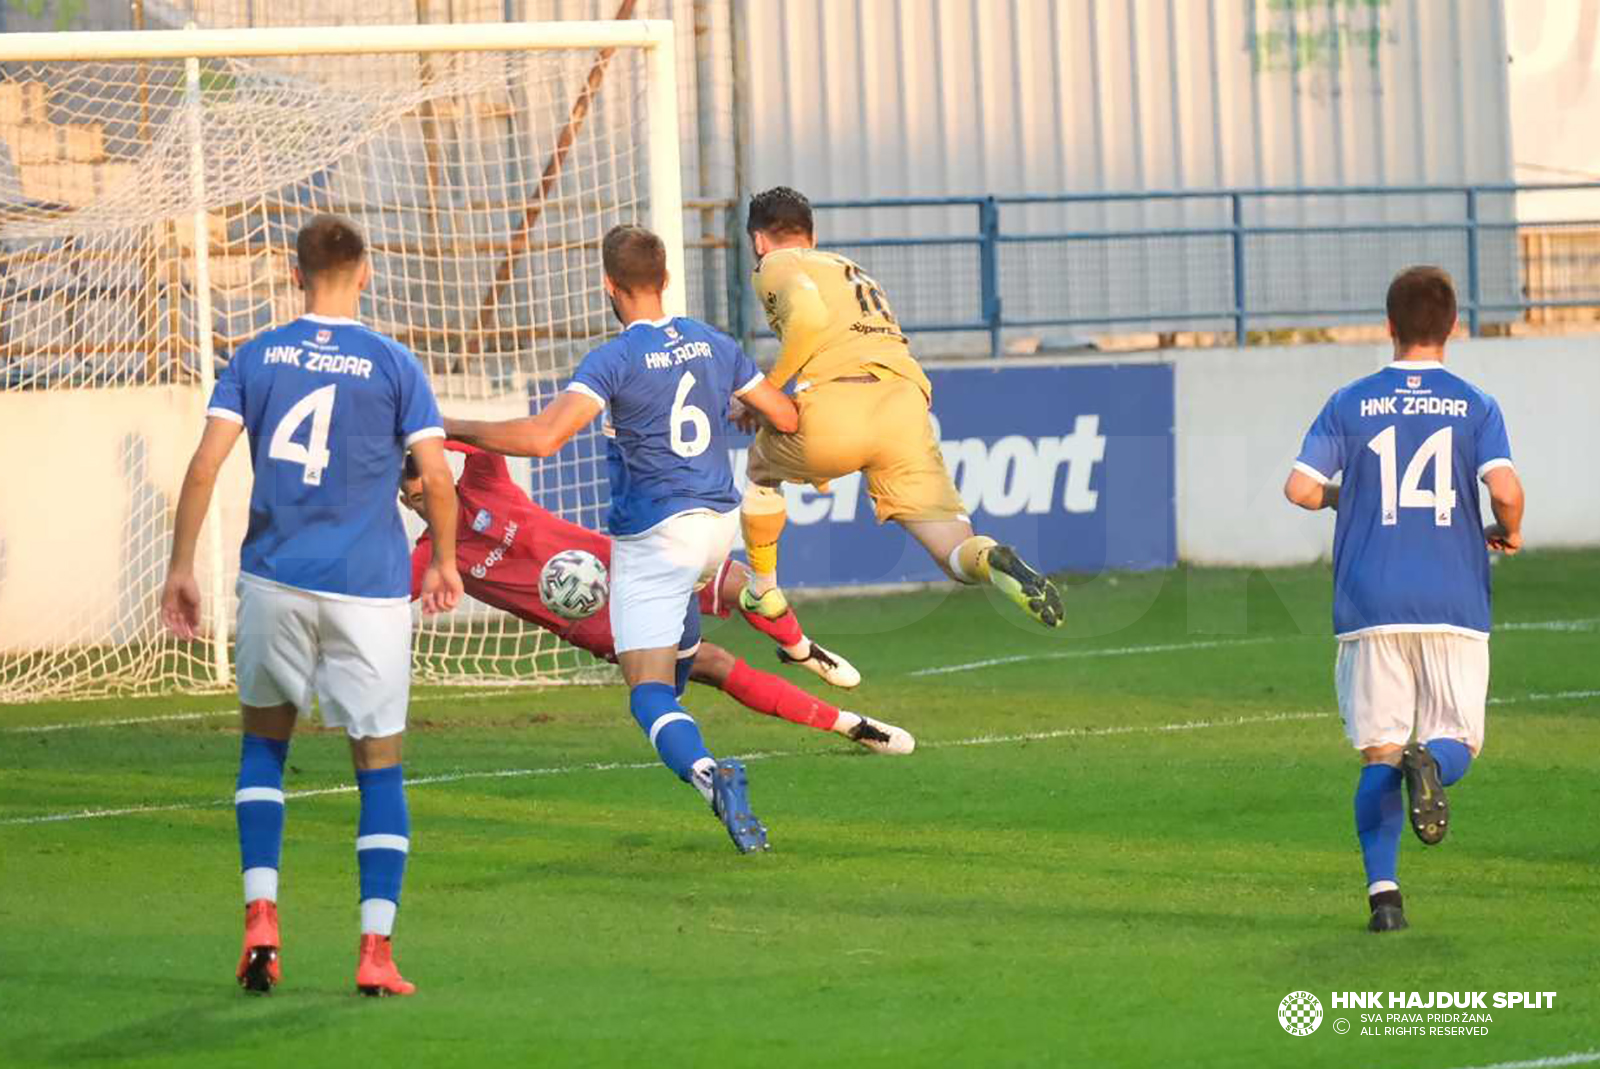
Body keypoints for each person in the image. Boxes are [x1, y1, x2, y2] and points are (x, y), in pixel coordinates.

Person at [159, 215, 463, 995]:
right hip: (366, 589)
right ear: (364, 274)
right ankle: (376, 951)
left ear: (296, 275)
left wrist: (180, 567)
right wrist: (448, 562)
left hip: (273, 579)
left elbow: (203, 466)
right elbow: (435, 477)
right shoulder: (396, 362)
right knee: (378, 765)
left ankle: (262, 916)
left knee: (264, 747)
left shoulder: (256, 355)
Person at [445, 224, 800, 853]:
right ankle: (789, 646)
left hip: (656, 541)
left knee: (648, 692)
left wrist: (445, 424)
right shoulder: (712, 342)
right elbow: (785, 414)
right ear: (665, 279)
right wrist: (742, 407)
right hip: (720, 527)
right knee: (682, 654)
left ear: (608, 285)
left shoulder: (613, 359)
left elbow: (541, 439)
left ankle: (707, 774)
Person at [1284, 265, 1524, 934]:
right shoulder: (1475, 404)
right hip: (1452, 595)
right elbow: (1503, 489)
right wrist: (1509, 529)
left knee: (1378, 751)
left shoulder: (1349, 401)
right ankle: (1435, 762)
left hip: (1370, 597)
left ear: (1388, 326)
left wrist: (1346, 495)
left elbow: (1299, 489)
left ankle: (1384, 897)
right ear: (1452, 327)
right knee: (1459, 740)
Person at [399, 442, 913, 754]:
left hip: (636, 567)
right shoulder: (430, 557)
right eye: (421, 493)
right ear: (409, 501)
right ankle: (849, 724)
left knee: (741, 583)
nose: (435, 493)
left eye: (436, 481)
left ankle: (802, 648)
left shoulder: (486, 489)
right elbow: (378, 594)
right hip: (607, 625)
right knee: (712, 663)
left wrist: (423, 433)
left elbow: (480, 442)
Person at [736, 185, 1063, 630]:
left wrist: (769, 390)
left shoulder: (774, 264)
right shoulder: (852, 270)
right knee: (954, 552)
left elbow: (808, 318)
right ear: (811, 235)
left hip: (837, 406)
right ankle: (991, 558)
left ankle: (764, 591)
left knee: (759, 468)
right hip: (906, 406)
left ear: (758, 240)